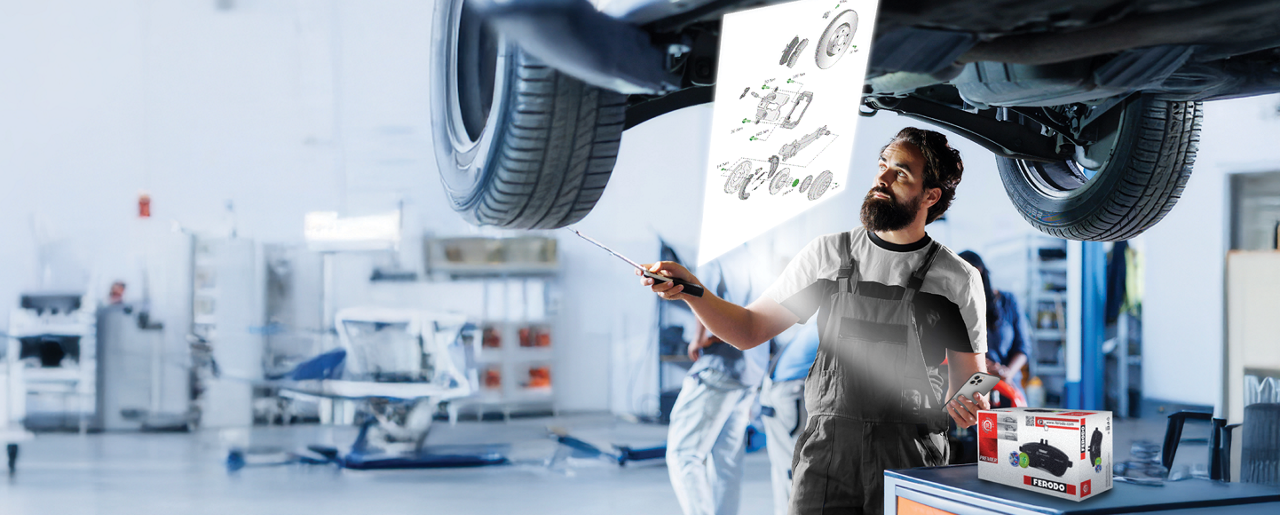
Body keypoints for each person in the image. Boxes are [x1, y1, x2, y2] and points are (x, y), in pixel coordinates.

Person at [640, 127, 991, 514]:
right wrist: (694, 291)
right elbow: (749, 329)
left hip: (911, 461)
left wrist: (972, 402)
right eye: (882, 166)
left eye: (901, 173)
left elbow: (972, 381)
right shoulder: (829, 255)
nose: (882, 178)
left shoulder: (955, 277)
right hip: (827, 460)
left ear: (931, 195)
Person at [666, 252, 770, 515]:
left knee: (683, 455)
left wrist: (696, 339)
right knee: (727, 463)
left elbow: (700, 296)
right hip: (749, 373)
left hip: (720, 368)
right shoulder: (756, 259)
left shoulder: (716, 258)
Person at [957, 251, 1032, 406]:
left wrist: (1007, 373)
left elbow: (1023, 347)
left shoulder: (1008, 302)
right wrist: (986, 366)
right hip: (972, 385)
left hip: (1008, 384)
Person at [759, 322, 818, 515]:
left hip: (773, 391)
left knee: (782, 464)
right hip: (788, 393)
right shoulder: (829, 325)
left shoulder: (814, 325)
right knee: (794, 466)